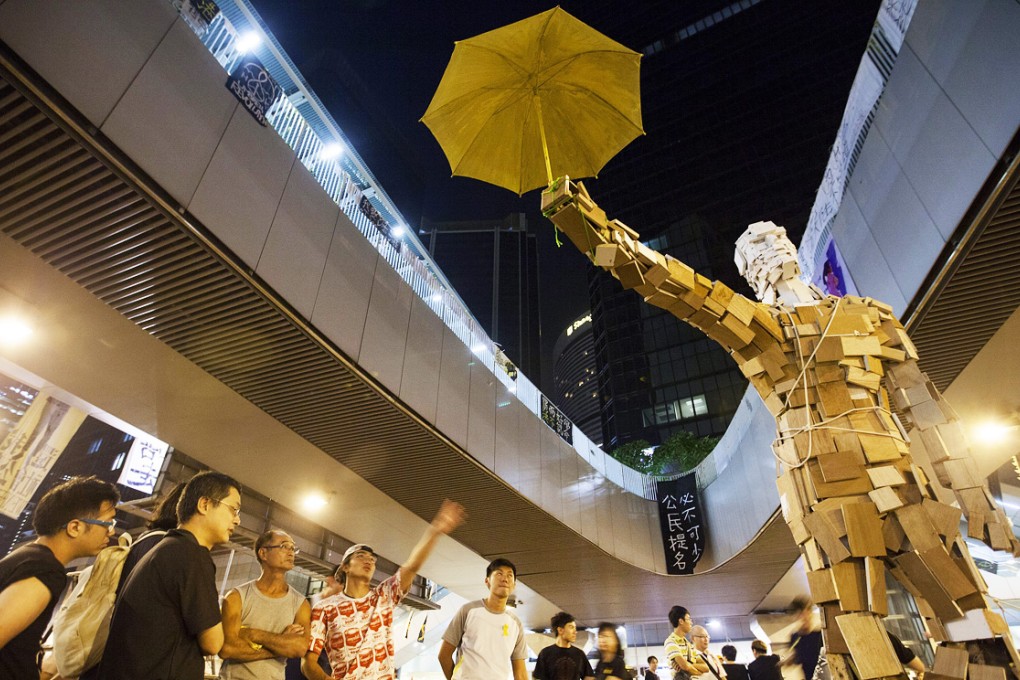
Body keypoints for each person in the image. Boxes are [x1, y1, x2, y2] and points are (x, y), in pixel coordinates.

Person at [544, 180, 1020, 669]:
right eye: (753, 252)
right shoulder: (759, 329)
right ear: (750, 276)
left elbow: (926, 410)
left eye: (773, 240)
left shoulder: (870, 318)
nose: (767, 250)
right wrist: (582, 219)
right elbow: (661, 280)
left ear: (790, 247)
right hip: (822, 498)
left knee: (967, 613)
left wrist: (974, 498)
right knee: (856, 630)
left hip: (900, 482)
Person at [96, 471, 242, 680]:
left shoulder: (165, 547)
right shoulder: (192, 555)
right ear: (205, 505)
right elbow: (213, 643)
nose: (237, 520)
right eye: (233, 509)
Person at [303, 499, 466, 680]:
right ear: (345, 567)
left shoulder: (384, 595)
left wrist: (435, 531)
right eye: (361, 556)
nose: (369, 561)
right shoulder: (325, 608)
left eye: (372, 559)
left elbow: (411, 566)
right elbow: (308, 663)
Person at [0, 476, 119, 677]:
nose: (111, 531)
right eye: (107, 523)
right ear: (75, 527)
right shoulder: (44, 569)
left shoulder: (28, 557)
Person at [219, 530, 311, 679]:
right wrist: (281, 645)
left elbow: (299, 648)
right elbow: (227, 649)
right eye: (284, 546)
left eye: (293, 548)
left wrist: (253, 634)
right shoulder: (237, 597)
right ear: (263, 553)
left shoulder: (300, 604)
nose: (291, 553)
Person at [438, 558, 528, 680]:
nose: (505, 579)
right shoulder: (468, 611)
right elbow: (444, 655)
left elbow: (521, 673)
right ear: (487, 581)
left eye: (509, 575)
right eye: (499, 574)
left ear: (514, 585)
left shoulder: (515, 623)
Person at [533, 611, 594, 680]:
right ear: (560, 630)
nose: (575, 632)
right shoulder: (545, 654)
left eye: (575, 628)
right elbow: (539, 677)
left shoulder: (579, 654)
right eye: (571, 627)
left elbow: (589, 677)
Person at [664, 606, 709, 680]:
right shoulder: (671, 642)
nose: (691, 622)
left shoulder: (688, 644)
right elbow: (685, 666)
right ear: (681, 621)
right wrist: (698, 671)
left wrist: (689, 665)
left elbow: (706, 667)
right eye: (689, 619)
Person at [782, 598, 821, 680]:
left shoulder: (820, 635)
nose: (805, 617)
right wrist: (789, 661)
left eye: (807, 612)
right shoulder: (795, 637)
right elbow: (797, 658)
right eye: (800, 615)